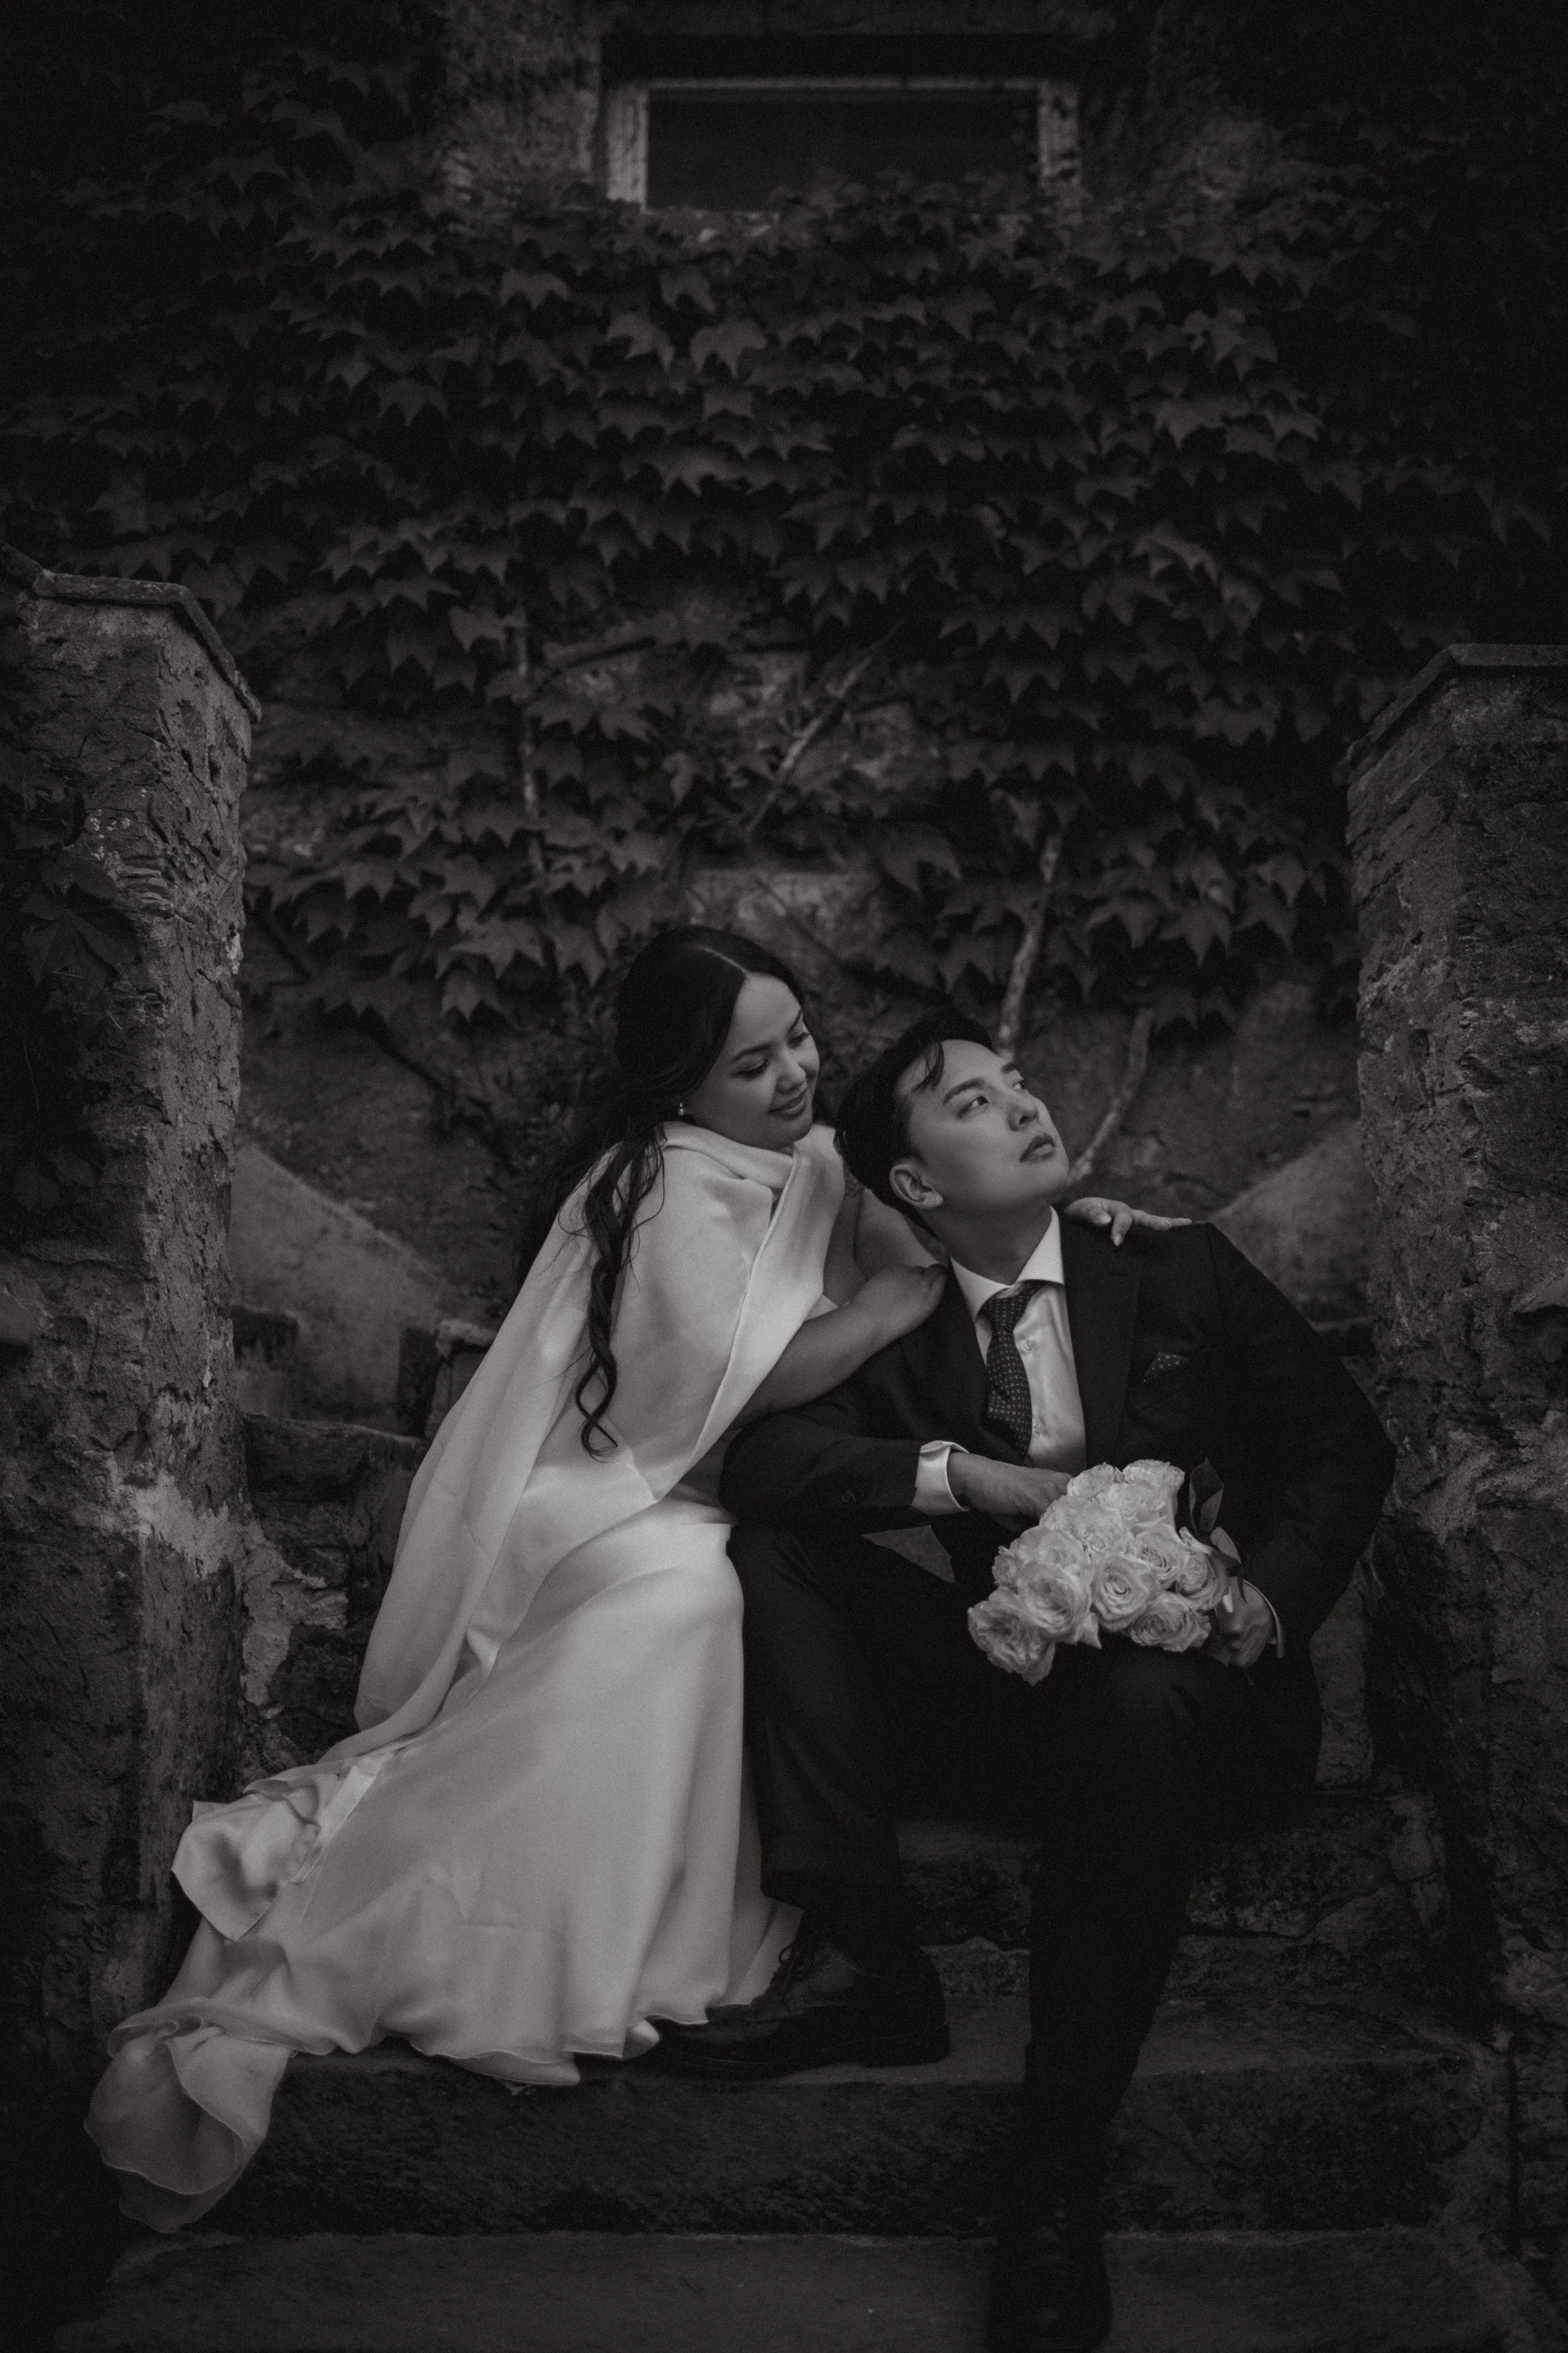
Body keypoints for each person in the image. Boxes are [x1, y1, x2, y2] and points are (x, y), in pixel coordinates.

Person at [87, 930, 1175, 2231]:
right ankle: (512, 1920)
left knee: (729, 1579)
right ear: (679, 1085)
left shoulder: (822, 1159)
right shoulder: (659, 1179)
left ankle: (638, 1913)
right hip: (618, 1495)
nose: (791, 1076)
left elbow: (956, 1211)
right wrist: (889, 1305)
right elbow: (712, 1408)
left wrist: (1083, 1219)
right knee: (687, 1591)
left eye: (797, 1040)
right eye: (749, 1062)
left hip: (720, 1500)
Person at [654, 1007, 1397, 2353]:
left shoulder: (1172, 1266)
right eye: (971, 1102)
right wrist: (956, 1475)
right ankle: (874, 1957)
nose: (1019, 1105)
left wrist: (1263, 1601)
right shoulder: (900, 1330)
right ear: (919, 1188)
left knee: (1140, 1700)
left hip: (1191, 1709)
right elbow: (762, 1467)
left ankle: (1052, 2180)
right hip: (1015, 1698)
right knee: (776, 1550)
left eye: (1016, 1084)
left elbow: (1341, 1446)